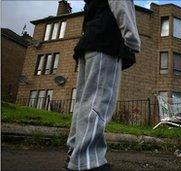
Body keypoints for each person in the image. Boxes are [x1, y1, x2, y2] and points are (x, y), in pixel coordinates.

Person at [66, 0, 140, 170]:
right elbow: (122, 5)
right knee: (99, 102)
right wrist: (132, 39)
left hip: (89, 43)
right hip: (106, 42)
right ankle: (87, 161)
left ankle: (74, 152)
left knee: (84, 103)